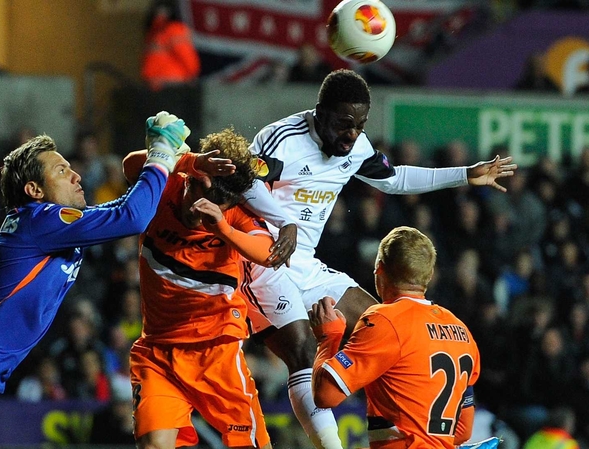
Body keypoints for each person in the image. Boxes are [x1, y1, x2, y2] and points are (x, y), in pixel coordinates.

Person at [0, 112, 191, 449]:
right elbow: (132, 216)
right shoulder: (40, 221)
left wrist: (165, 165)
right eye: (61, 171)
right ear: (34, 190)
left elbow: (122, 211)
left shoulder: (52, 226)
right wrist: (159, 155)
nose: (75, 175)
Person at [239, 69, 515, 449]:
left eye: (360, 126)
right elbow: (245, 182)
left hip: (305, 262)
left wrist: (466, 175)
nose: (351, 135)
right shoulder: (283, 139)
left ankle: (426, 438)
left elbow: (395, 179)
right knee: (303, 350)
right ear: (320, 113)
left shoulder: (357, 147)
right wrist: (282, 221)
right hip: (262, 260)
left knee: (383, 324)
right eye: (343, 124)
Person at [122, 128, 274, 449]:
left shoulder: (233, 215)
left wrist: (220, 226)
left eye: (213, 205)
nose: (199, 210)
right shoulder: (167, 185)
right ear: (191, 179)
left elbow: (266, 252)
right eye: (197, 194)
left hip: (216, 349)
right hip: (158, 351)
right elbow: (131, 166)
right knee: (153, 445)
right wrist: (190, 162)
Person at [309, 226, 481, 449]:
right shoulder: (461, 331)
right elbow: (462, 430)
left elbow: (326, 396)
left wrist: (327, 338)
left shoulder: (385, 320)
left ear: (378, 269)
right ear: (428, 276)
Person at [141, 0, 200, 91]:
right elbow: (186, 56)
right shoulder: (176, 30)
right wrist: (192, 75)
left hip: (152, 82)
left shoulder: (152, 33)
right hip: (172, 81)